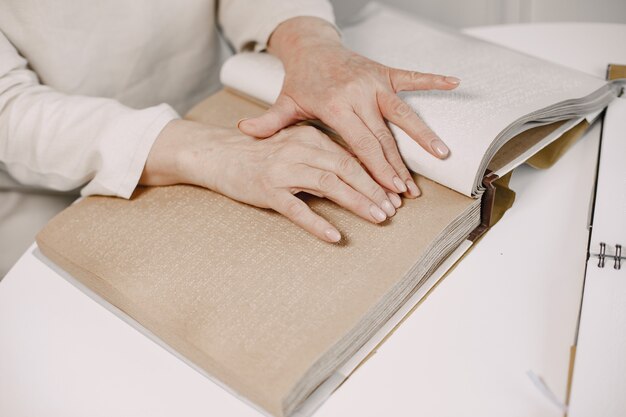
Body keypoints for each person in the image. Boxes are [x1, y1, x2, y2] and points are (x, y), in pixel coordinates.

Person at [0, 0, 459, 276]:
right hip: (40, 187)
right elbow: (9, 109)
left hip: (217, 108)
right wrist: (214, 153)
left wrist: (308, 44)